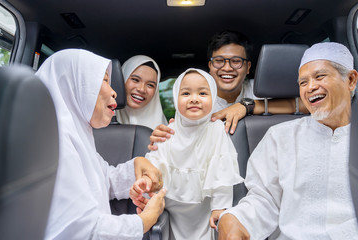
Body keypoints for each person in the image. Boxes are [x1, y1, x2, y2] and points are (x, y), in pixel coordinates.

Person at [218, 42, 358, 240]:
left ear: (351, 80)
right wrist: (233, 219)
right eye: (302, 82)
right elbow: (264, 201)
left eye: (320, 76)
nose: (310, 87)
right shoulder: (280, 137)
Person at [35, 49, 166, 240]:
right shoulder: (53, 145)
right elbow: (84, 231)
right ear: (75, 86)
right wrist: (147, 219)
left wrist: (137, 165)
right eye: (104, 80)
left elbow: (105, 179)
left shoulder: (75, 134)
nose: (114, 91)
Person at [130, 68, 244, 239]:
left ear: (213, 97)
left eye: (203, 93)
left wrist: (219, 207)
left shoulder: (217, 130)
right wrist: (146, 181)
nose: (194, 99)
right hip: (170, 208)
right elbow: (155, 164)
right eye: (186, 93)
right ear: (176, 98)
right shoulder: (167, 131)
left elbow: (222, 173)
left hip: (205, 208)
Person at [148, 30, 307, 150]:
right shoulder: (198, 100)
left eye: (236, 61)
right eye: (219, 61)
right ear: (210, 66)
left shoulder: (262, 90)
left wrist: (248, 106)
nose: (227, 68)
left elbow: (307, 105)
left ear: (247, 67)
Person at [115, 55, 168, 129]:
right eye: (135, 80)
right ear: (122, 79)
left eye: (150, 85)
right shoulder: (100, 120)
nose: (142, 89)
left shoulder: (163, 131)